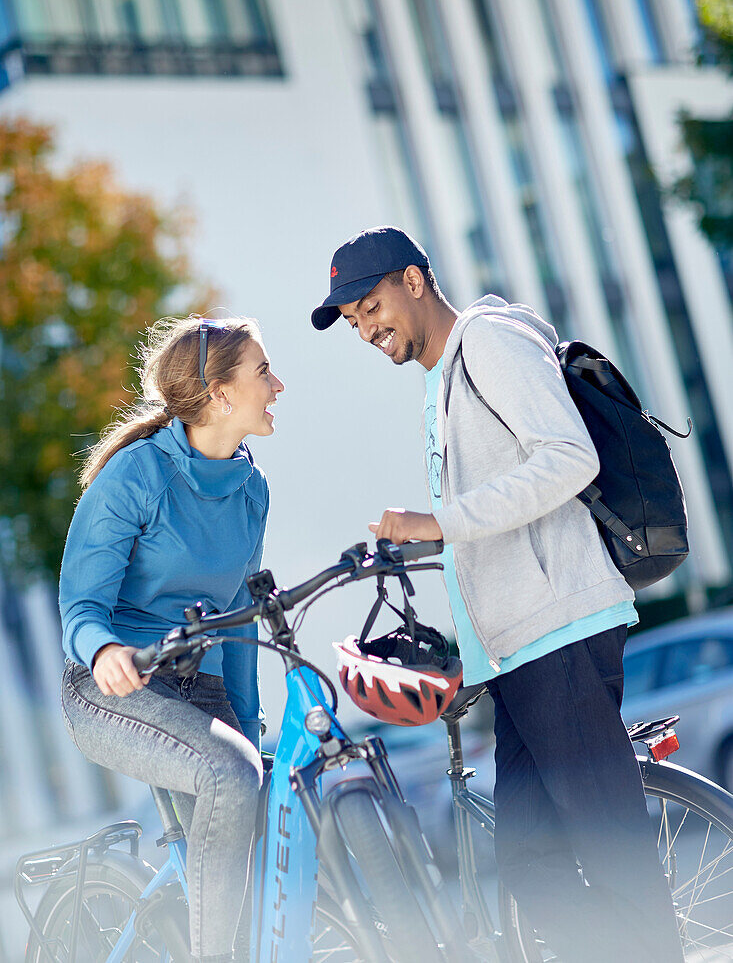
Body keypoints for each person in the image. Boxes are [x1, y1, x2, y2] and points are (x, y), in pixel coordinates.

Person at [311, 226, 683, 963]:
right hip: (515, 651)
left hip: (560, 633)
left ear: (414, 280)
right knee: (530, 866)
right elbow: (491, 516)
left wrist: (441, 522)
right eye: (352, 322)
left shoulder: (487, 342)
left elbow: (567, 458)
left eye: (370, 305)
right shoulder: (439, 377)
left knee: (611, 857)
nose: (366, 329)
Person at [59, 315, 284, 963]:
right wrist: (104, 652)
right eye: (263, 372)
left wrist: (250, 724)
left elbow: (240, 608)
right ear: (219, 394)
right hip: (116, 689)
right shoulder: (136, 477)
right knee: (229, 775)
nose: (278, 385)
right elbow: (81, 606)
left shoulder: (250, 487)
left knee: (263, 792)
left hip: (202, 683)